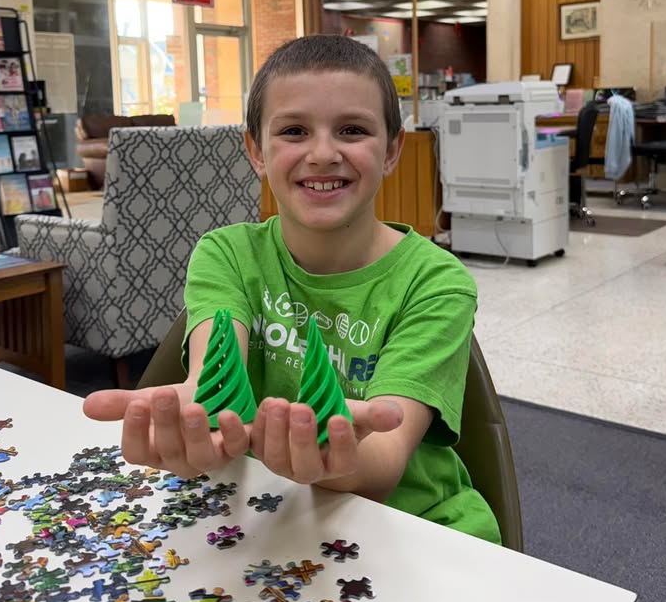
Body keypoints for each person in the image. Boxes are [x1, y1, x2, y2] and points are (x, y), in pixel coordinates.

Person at [83, 35, 501, 544]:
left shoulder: (434, 282)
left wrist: (321, 451)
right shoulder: (227, 254)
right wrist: (195, 415)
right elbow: (210, 374)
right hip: (271, 519)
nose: (323, 154)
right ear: (256, 151)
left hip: (419, 528)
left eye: (352, 129)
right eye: (294, 131)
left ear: (392, 150)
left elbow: (383, 460)